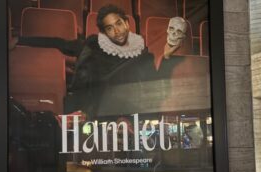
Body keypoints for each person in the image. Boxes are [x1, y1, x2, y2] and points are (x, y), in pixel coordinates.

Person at [15, 5, 182, 117]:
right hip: (94, 111)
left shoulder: (143, 56)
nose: (117, 31)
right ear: (105, 33)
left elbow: (157, 91)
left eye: (119, 23)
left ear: (127, 24)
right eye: (110, 28)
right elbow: (58, 43)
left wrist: (166, 57)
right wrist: (20, 40)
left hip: (125, 113)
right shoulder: (92, 46)